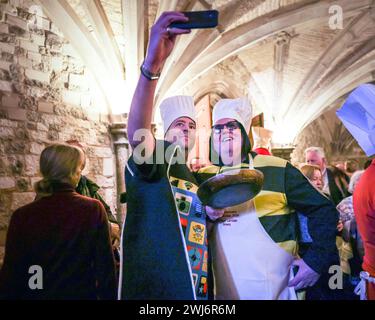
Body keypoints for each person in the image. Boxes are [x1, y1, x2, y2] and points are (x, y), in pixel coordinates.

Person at [198, 98, 339, 300]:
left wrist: (315, 262)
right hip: (221, 291)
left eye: (232, 126)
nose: (225, 131)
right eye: (218, 128)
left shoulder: (278, 169)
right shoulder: (203, 177)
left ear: (245, 133)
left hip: (275, 289)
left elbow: (324, 210)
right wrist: (208, 215)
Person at [119, 12, 214, 300]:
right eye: (179, 125)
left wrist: (209, 213)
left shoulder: (191, 172)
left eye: (192, 126)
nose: (186, 130)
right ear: (165, 131)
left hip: (196, 284)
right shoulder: (159, 154)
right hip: (162, 286)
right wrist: (152, 67)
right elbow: (136, 132)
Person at [0, 144, 117, 299]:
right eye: (79, 169)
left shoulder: (22, 216)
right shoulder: (92, 209)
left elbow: (12, 275)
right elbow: (105, 271)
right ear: (73, 172)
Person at [65, 140, 120, 259]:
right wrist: (108, 228)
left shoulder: (87, 186)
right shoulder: (49, 193)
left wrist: (115, 232)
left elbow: (107, 212)